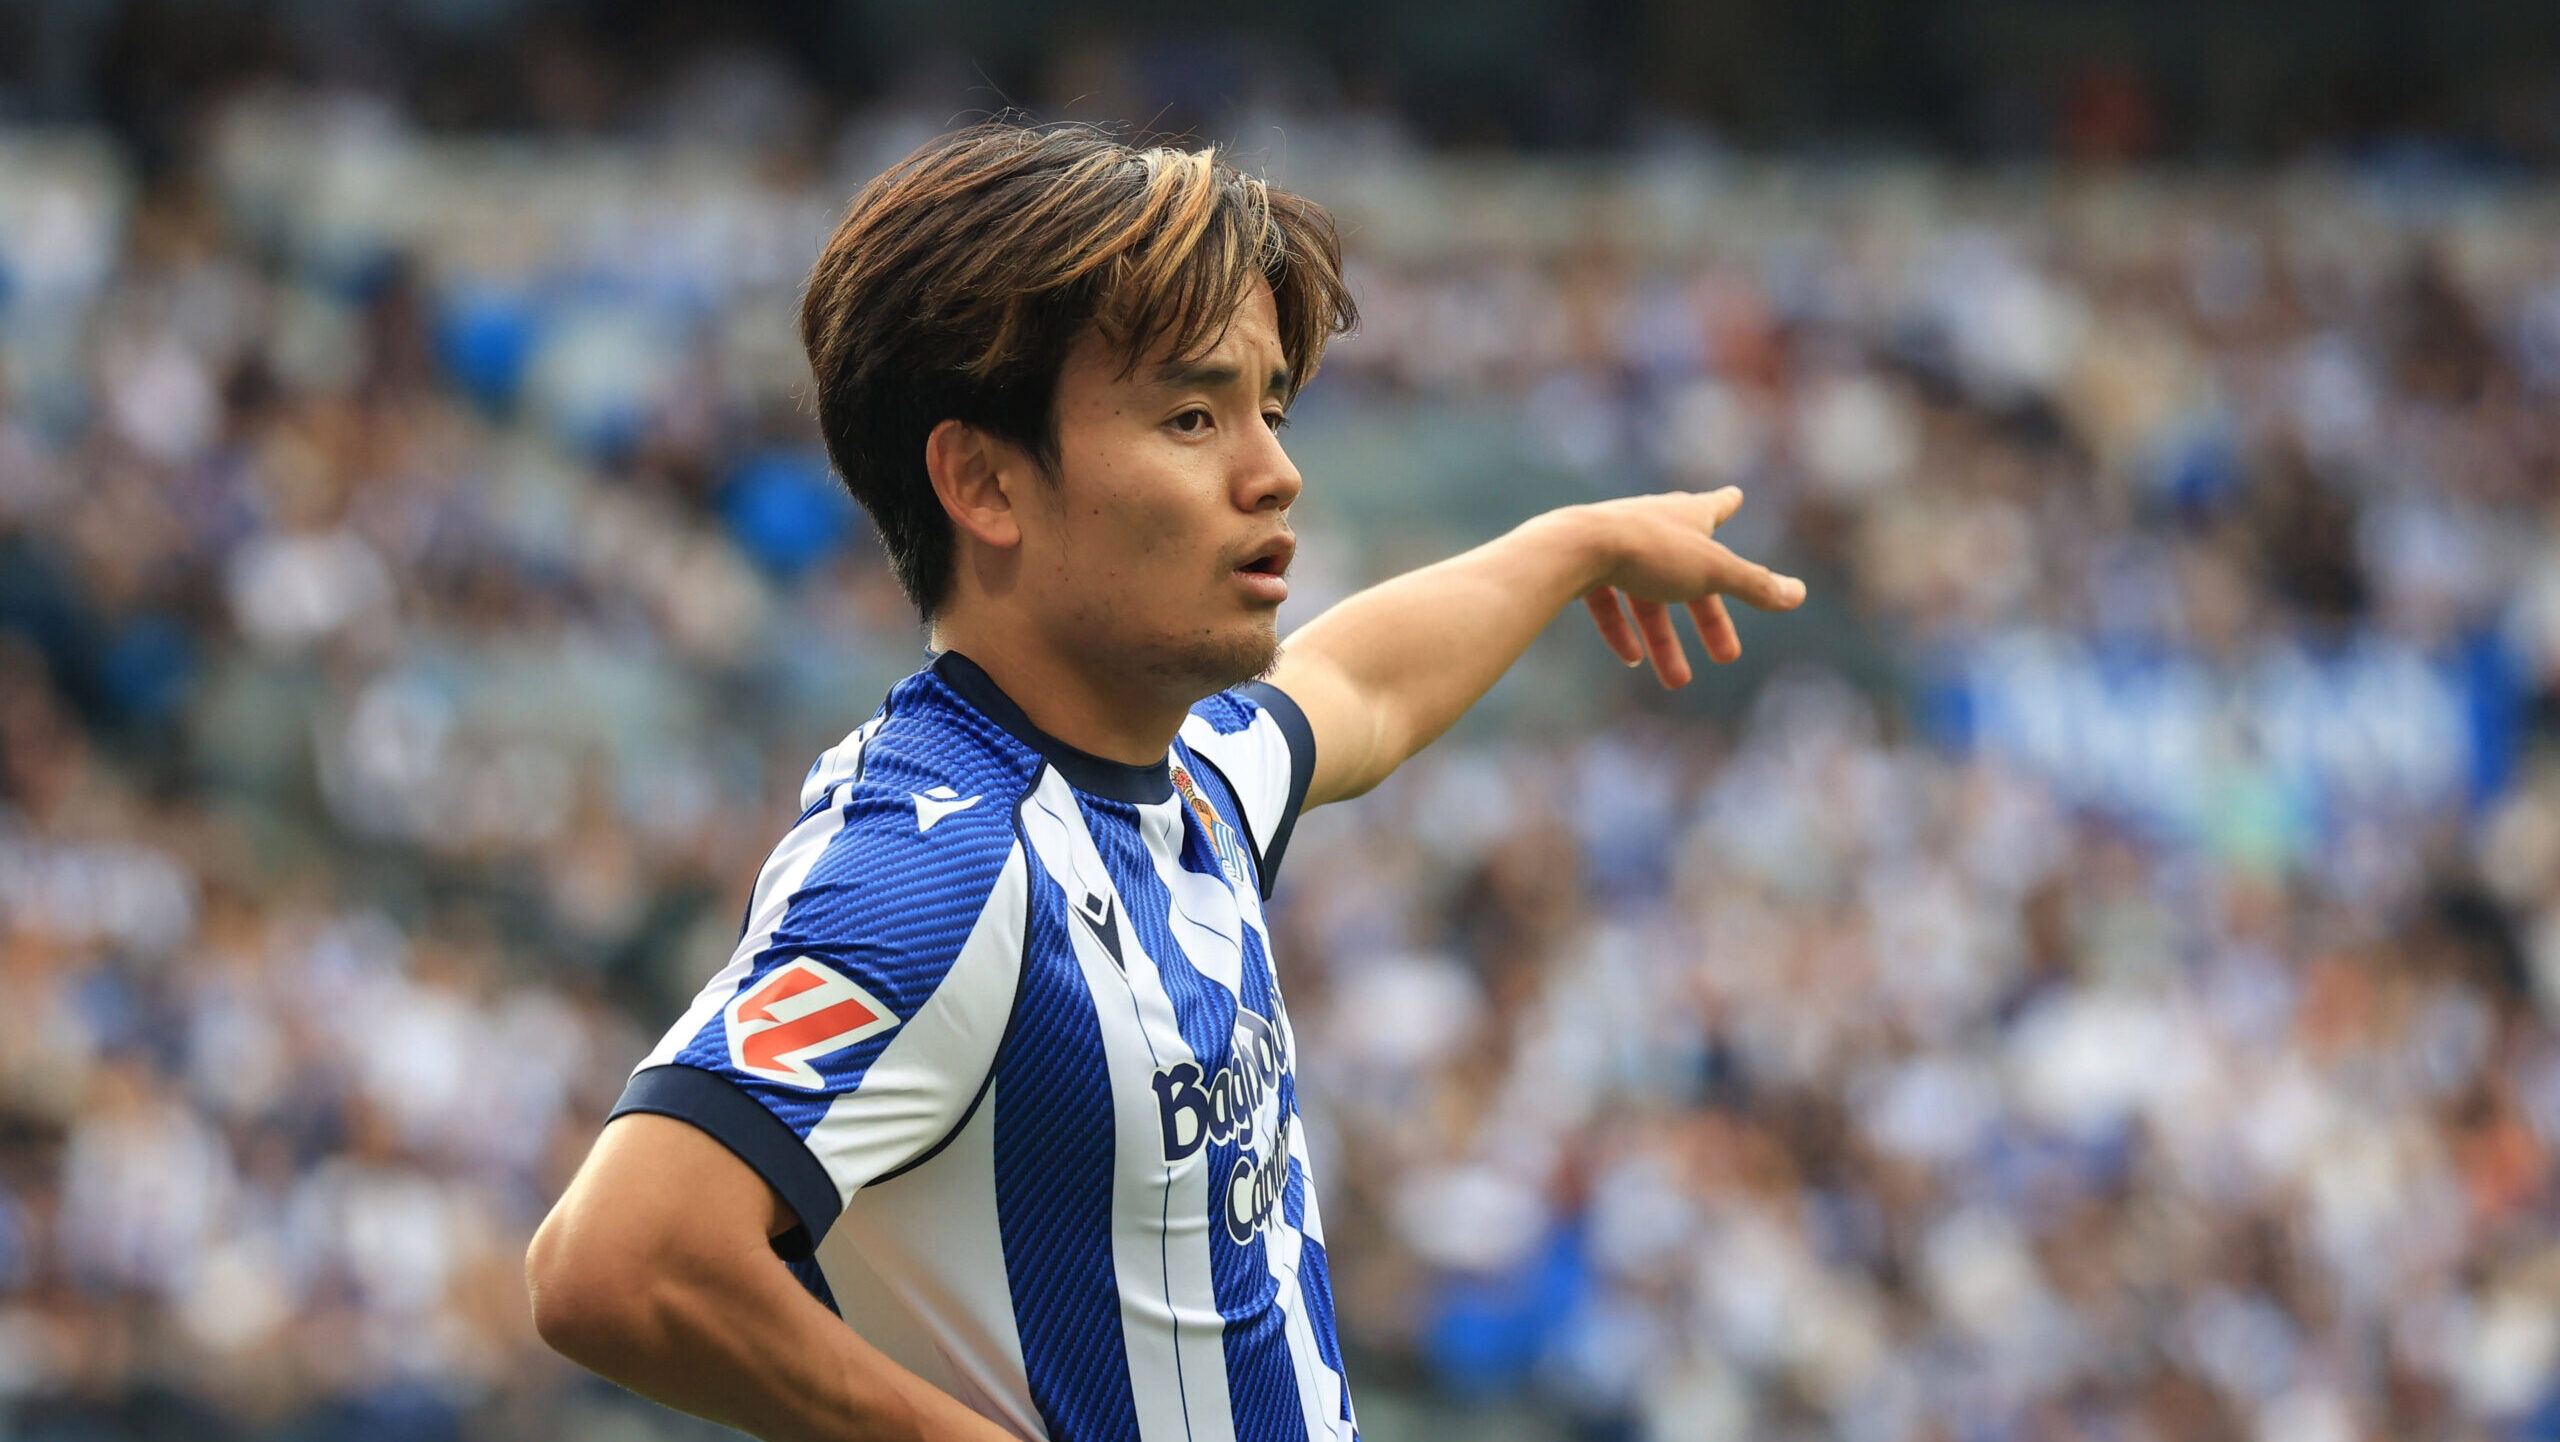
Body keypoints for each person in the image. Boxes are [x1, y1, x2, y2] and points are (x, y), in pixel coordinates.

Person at [523, 121, 1805, 1442]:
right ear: (983, 481)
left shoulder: (1183, 773)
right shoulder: (943, 863)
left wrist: (1574, 546)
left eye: (1270, 411)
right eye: (1193, 417)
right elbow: (619, 1262)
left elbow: (1361, 687)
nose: (1275, 472)